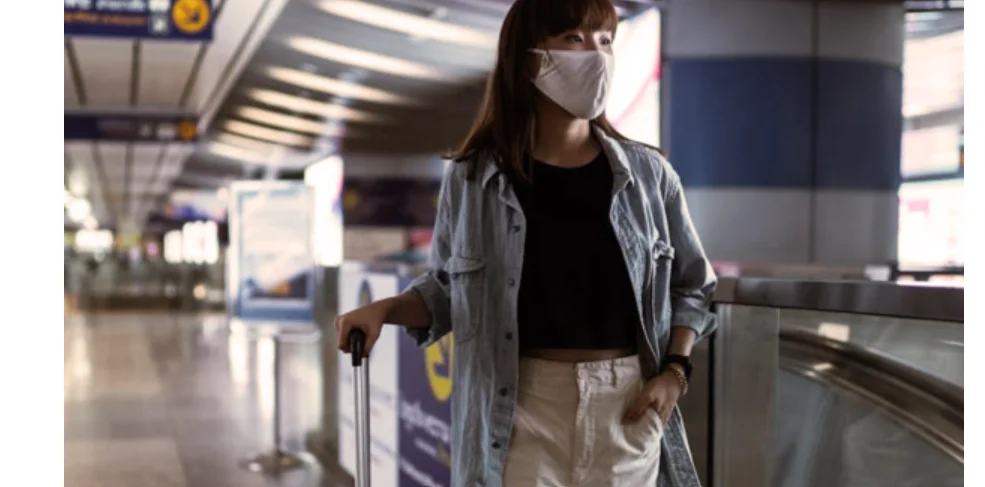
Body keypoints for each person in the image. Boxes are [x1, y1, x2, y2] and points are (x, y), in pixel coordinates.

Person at [335, 0, 717, 485]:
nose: (596, 56)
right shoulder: (475, 177)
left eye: (605, 41)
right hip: (518, 407)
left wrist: (674, 373)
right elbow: (449, 292)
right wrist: (384, 310)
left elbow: (694, 288)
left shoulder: (648, 176)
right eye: (574, 40)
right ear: (529, 58)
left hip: (626, 404)